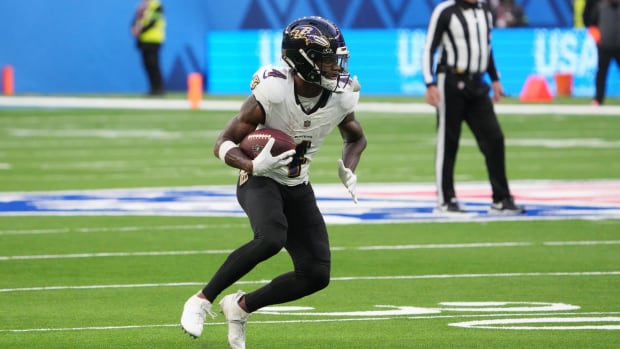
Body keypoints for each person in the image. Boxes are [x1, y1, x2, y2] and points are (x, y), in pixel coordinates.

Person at [180, 16, 366, 348]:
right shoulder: (274, 91)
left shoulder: (342, 97)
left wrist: (349, 167)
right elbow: (222, 142)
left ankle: (240, 307)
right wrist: (253, 163)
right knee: (270, 237)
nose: (335, 67)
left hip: (298, 182)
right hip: (259, 178)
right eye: (326, 59)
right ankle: (201, 299)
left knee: (316, 274)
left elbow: (355, 138)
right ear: (303, 61)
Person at [422, 0, 525, 214]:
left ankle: (501, 198)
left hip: (478, 84)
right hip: (450, 81)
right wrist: (429, 83)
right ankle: (446, 200)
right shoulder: (445, 11)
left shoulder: (485, 11)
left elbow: (485, 49)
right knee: (448, 142)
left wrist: (495, 79)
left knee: (495, 139)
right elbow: (429, 48)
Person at [584, 0, 620, 106]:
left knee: (601, 72)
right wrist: (595, 34)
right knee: (601, 72)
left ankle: (598, 99)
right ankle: (598, 98)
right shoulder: (600, 6)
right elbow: (590, 21)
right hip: (604, 44)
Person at [131, 0, 166, 96]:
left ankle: (159, 88)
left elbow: (153, 22)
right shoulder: (142, 6)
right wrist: (133, 27)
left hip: (154, 39)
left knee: (153, 64)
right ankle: (153, 88)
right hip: (143, 40)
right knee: (147, 64)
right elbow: (137, 19)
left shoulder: (157, 6)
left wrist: (140, 30)